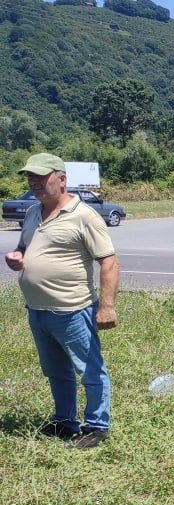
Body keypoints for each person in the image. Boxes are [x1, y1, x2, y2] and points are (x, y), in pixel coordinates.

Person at [5, 153, 118, 449]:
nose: (34, 182)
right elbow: (24, 247)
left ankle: (96, 425)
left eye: (41, 177)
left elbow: (108, 261)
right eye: (30, 177)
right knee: (56, 370)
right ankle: (65, 421)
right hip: (38, 311)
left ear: (62, 179)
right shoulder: (33, 213)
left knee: (90, 369)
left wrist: (106, 307)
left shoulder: (84, 215)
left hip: (73, 310)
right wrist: (17, 257)